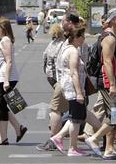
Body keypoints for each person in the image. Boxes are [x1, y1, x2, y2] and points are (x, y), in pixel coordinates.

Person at [84, 8, 116, 159]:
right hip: (107, 83)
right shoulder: (109, 38)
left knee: (112, 114)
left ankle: (109, 148)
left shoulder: (111, 36)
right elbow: (107, 62)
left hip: (108, 82)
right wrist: (112, 85)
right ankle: (94, 138)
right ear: (112, 20)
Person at [36, 12, 77, 151]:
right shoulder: (69, 42)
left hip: (62, 81)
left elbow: (46, 61)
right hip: (66, 80)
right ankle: (100, 136)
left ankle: (54, 140)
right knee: (79, 112)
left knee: (56, 109)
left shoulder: (57, 44)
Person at [48, 27, 88, 157]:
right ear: (76, 37)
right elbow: (74, 73)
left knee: (74, 117)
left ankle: (59, 137)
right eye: (82, 36)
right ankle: (72, 147)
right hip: (73, 88)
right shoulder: (73, 51)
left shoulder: (66, 49)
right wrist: (79, 92)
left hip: (68, 87)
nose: (84, 39)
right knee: (76, 119)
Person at [0, 18, 28, 145]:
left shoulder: (5, 40)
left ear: (4, 28)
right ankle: (18, 129)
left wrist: (5, 81)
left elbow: (9, 61)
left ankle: (3, 137)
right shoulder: (4, 40)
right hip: (1, 78)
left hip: (6, 78)